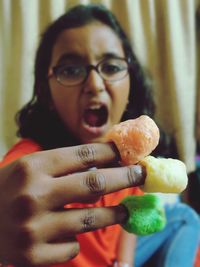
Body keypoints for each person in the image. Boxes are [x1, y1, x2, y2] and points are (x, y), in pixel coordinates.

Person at [0, 4, 199, 267]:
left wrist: (124, 264)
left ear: (130, 83)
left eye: (112, 67)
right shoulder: (30, 167)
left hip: (114, 260)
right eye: (70, 70)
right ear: (46, 93)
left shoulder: (131, 160)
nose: (94, 85)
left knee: (185, 217)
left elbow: (130, 212)